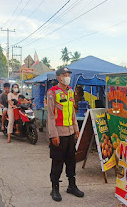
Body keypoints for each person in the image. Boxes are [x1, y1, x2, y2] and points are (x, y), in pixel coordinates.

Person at [47, 67, 84, 202]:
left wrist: (76, 129)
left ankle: (72, 186)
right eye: (64, 74)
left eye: (68, 74)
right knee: (57, 161)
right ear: (58, 77)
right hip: (59, 133)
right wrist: (53, 135)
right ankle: (54, 188)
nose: (67, 76)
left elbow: (73, 113)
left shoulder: (70, 92)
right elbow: (51, 116)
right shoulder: (52, 92)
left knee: (71, 160)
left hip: (70, 132)